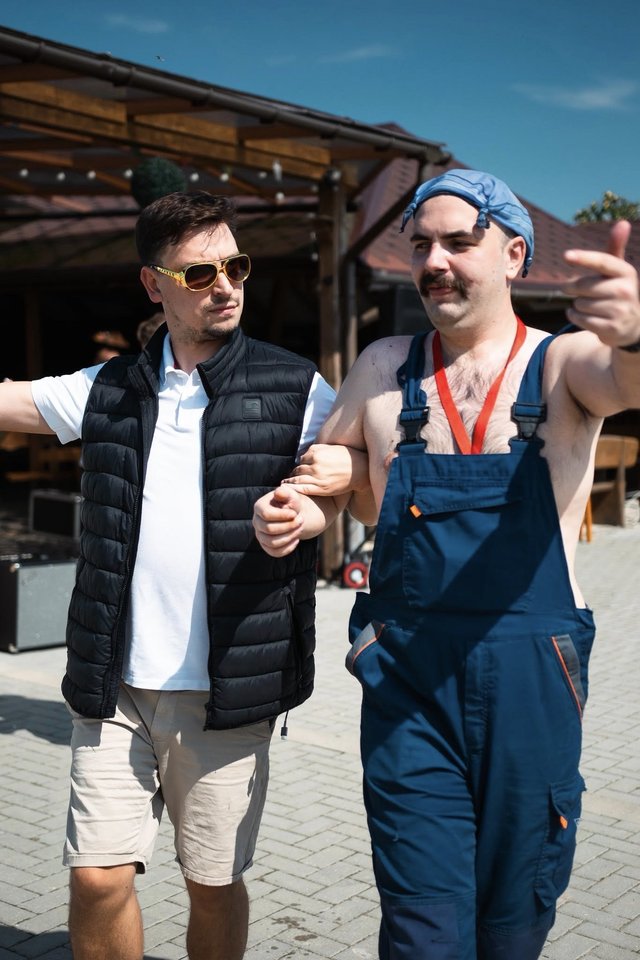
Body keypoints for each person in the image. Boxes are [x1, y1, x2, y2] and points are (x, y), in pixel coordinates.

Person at [252, 169, 640, 960]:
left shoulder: (561, 363)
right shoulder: (382, 367)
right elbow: (336, 490)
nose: (435, 262)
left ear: (514, 255)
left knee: (513, 922)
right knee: (421, 929)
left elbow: (622, 381)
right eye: (423, 245)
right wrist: (299, 510)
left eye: (460, 243)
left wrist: (632, 335)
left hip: (531, 680)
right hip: (409, 687)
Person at [0, 190, 335, 960]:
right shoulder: (108, 388)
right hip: (113, 683)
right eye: (200, 274)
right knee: (96, 879)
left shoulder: (298, 387)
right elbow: (12, 402)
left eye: (236, 267)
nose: (225, 287)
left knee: (210, 883)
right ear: (153, 284)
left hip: (225, 690)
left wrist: (317, 511)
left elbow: (356, 472)